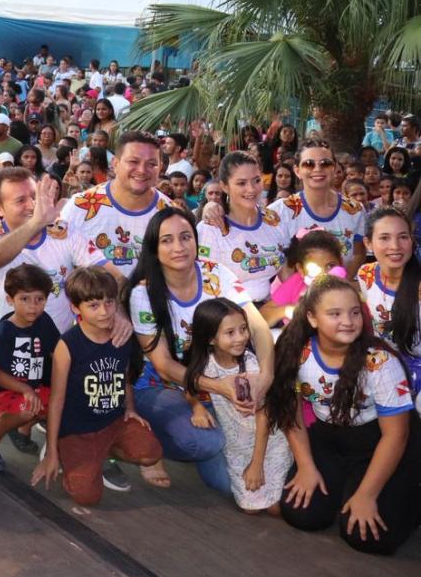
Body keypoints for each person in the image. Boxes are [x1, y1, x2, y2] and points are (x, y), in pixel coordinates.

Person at [265, 275, 421, 555]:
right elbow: (291, 412)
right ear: (312, 318)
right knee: (302, 514)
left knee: (369, 537)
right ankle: (347, 485)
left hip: (382, 441)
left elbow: (396, 436)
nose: (348, 321)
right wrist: (306, 466)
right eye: (334, 314)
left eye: (353, 313)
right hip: (331, 438)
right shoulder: (295, 352)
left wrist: (366, 495)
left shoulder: (379, 362)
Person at [125, 208, 275, 493]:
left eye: (185, 237)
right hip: (161, 386)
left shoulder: (217, 274)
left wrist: (264, 379)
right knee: (206, 443)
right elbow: (164, 365)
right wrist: (220, 387)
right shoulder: (143, 293)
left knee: (237, 482)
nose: (179, 247)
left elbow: (258, 327)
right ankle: (147, 444)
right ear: (154, 249)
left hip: (214, 383)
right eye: (167, 240)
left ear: (196, 240)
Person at [31, 267, 164, 507]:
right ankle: (66, 453)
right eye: (93, 305)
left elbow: (123, 377)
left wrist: (130, 408)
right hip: (78, 430)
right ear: (75, 308)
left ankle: (104, 453)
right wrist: (51, 452)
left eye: (109, 303)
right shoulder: (68, 344)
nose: (104, 311)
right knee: (86, 496)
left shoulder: (121, 335)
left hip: (112, 422)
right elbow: (57, 400)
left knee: (151, 452)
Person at [182, 297, 291, 514]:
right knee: (251, 508)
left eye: (243, 329)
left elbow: (264, 414)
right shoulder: (204, 362)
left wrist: (257, 463)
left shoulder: (250, 365)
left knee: (276, 509)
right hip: (237, 442)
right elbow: (190, 386)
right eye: (230, 333)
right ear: (211, 338)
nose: (241, 337)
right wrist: (197, 407)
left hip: (267, 440)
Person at [0, 168, 109, 334]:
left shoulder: (64, 231)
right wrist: (36, 223)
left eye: (34, 197)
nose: (31, 205)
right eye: (20, 200)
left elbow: (106, 272)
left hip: (58, 348)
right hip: (9, 348)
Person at [59, 130, 171, 297]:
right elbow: (61, 266)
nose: (142, 170)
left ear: (160, 168)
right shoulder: (79, 207)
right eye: (133, 161)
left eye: (152, 164)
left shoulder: (170, 213)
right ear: (115, 163)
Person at [0, 264, 61, 472]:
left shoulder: (44, 322)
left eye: (39, 299)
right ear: (10, 299)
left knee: (60, 402)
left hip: (34, 389)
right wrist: (25, 390)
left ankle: (23, 430)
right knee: (28, 407)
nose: (33, 306)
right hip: (4, 393)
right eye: (24, 299)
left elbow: (58, 352)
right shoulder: (4, 331)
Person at [197, 151, 290, 304]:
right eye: (241, 183)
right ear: (225, 186)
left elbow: (286, 271)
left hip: (272, 310)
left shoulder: (273, 219)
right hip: (228, 315)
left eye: (256, 180)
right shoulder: (211, 228)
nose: (251, 189)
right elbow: (208, 286)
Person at [268, 137, 366, 268]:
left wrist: (340, 285)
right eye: (309, 163)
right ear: (297, 171)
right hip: (294, 287)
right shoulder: (279, 212)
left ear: (335, 168)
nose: (317, 169)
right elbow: (279, 261)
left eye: (325, 163)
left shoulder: (355, 210)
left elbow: (358, 254)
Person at [353, 206, 421, 390]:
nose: (395, 246)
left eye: (403, 237)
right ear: (368, 243)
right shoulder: (365, 274)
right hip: (382, 363)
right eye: (384, 238)